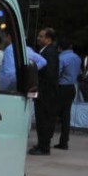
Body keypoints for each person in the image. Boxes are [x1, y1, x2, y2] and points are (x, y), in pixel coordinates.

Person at [29, 27, 59, 155]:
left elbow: (49, 73)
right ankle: (41, 143)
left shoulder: (50, 52)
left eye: (41, 36)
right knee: (41, 119)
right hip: (44, 91)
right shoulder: (44, 51)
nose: (38, 38)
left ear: (48, 39)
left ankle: (44, 147)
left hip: (46, 92)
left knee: (44, 119)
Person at [55, 37, 80, 150]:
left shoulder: (61, 58)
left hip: (62, 87)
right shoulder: (77, 58)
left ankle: (46, 139)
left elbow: (57, 74)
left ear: (60, 47)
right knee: (66, 116)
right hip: (71, 87)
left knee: (53, 113)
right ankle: (64, 141)